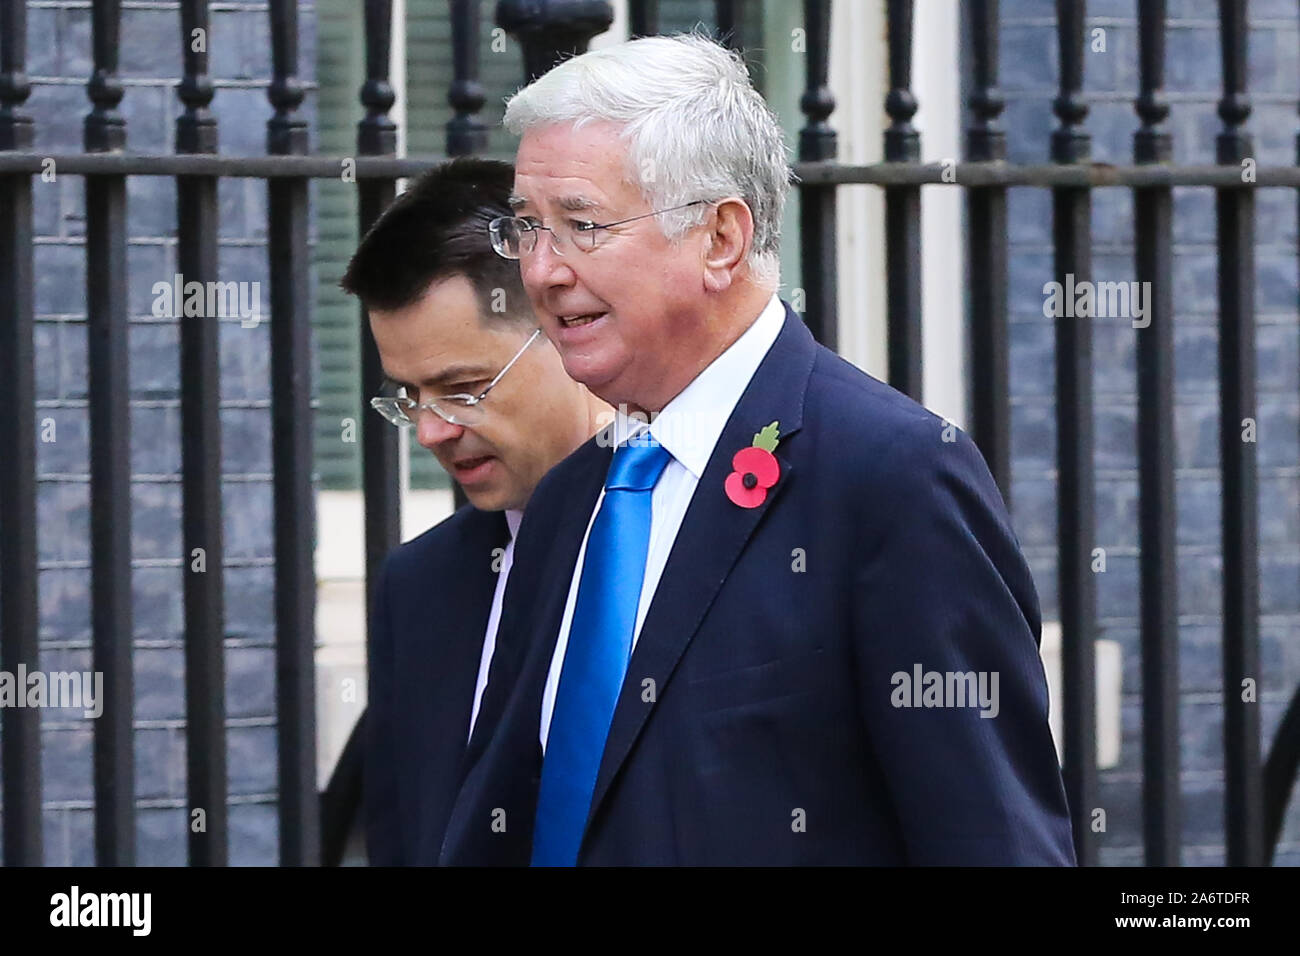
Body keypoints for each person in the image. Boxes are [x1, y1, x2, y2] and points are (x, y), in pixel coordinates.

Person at [439, 35, 1076, 865]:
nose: (543, 270)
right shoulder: (571, 497)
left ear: (721, 239)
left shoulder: (894, 477)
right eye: (527, 228)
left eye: (582, 225)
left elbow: (992, 840)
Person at [340, 157, 608, 865]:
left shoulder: (689, 533)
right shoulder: (419, 584)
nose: (431, 430)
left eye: (462, 388)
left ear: (564, 327)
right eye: (408, 397)